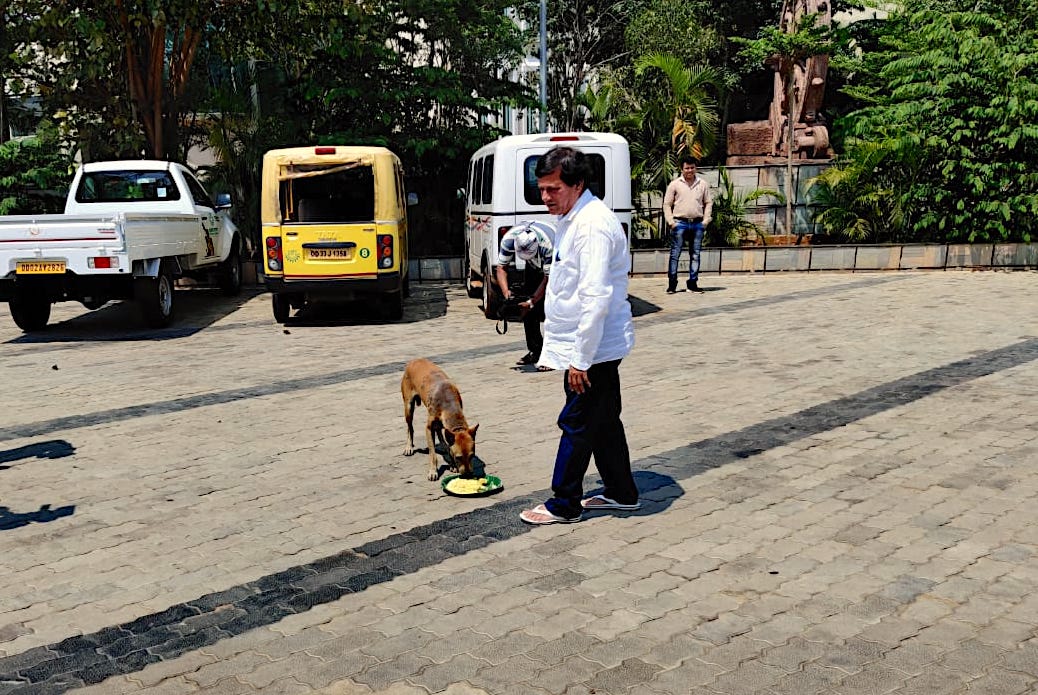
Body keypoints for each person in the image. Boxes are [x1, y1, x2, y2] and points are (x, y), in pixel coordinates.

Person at [519, 146, 639, 525]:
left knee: (577, 421)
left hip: (593, 349)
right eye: (542, 189)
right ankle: (622, 492)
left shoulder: (592, 226)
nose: (545, 197)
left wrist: (580, 360)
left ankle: (564, 503)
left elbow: (596, 297)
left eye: (553, 189)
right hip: (590, 345)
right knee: (603, 421)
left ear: (577, 183)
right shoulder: (573, 218)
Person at [495, 221, 555, 370]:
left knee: (552, 310)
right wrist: (507, 293)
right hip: (535, 267)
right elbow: (501, 268)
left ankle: (552, 356)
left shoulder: (547, 245)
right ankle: (536, 351)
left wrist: (533, 301)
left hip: (558, 266)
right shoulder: (509, 240)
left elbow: (548, 279)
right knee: (526, 307)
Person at [663, 156, 713, 293]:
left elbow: (708, 202)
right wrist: (671, 222)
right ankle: (672, 284)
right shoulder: (675, 184)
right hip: (679, 223)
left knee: (695, 254)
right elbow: (667, 204)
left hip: (697, 224)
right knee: (675, 254)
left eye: (692, 168)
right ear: (682, 169)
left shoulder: (702, 184)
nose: (690, 170)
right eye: (687, 168)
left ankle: (692, 283)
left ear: (695, 168)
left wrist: (706, 220)